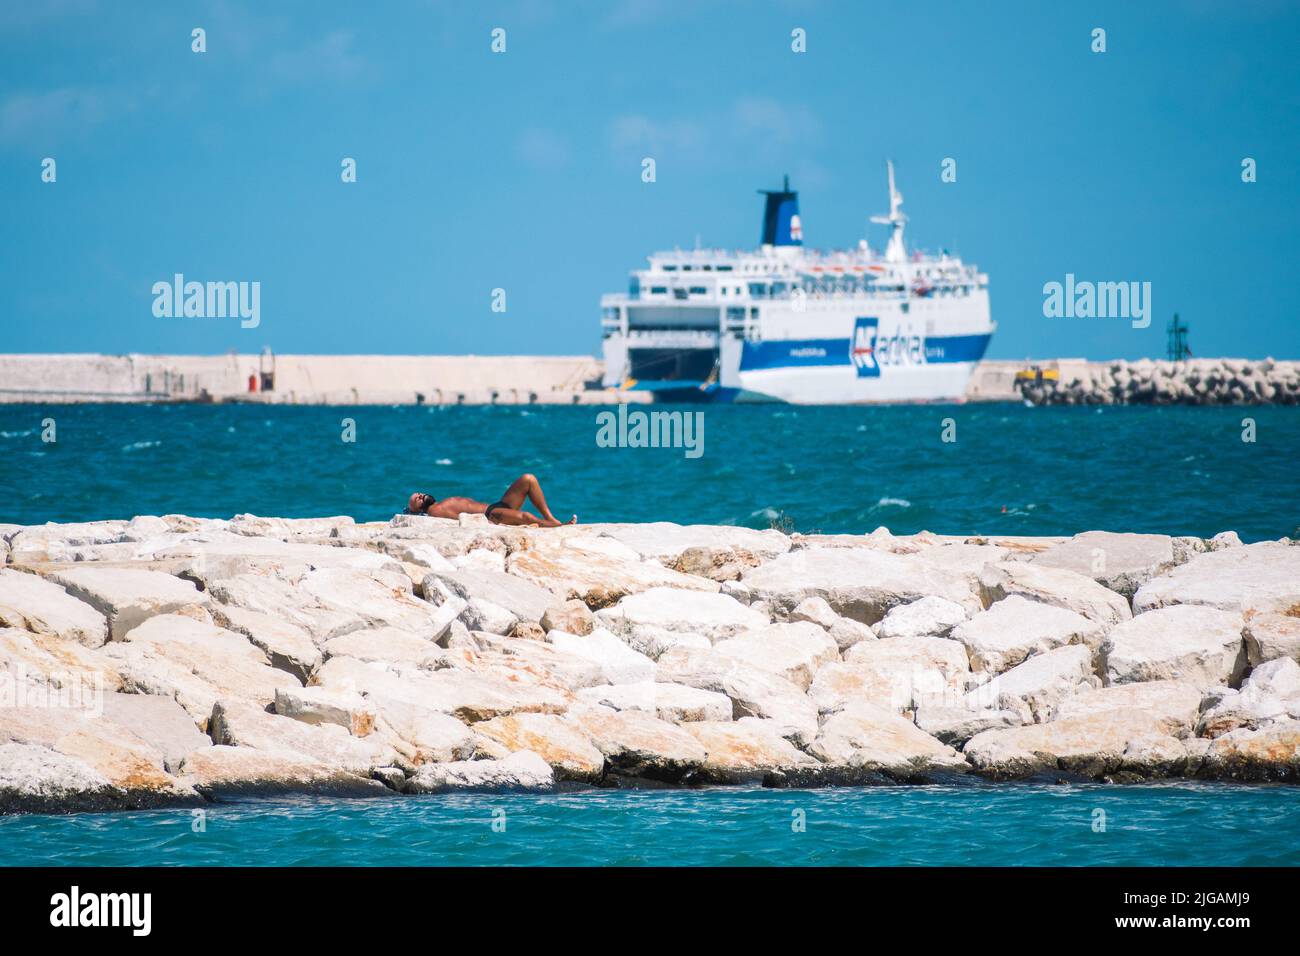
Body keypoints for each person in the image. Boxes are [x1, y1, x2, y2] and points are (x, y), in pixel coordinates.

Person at [405, 473, 576, 527]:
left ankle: (551, 519)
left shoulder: (439, 504)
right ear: (418, 510)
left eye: (419, 493)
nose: (420, 496)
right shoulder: (434, 511)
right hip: (491, 516)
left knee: (528, 479)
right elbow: (460, 520)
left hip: (496, 506)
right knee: (527, 518)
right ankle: (559, 527)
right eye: (417, 500)